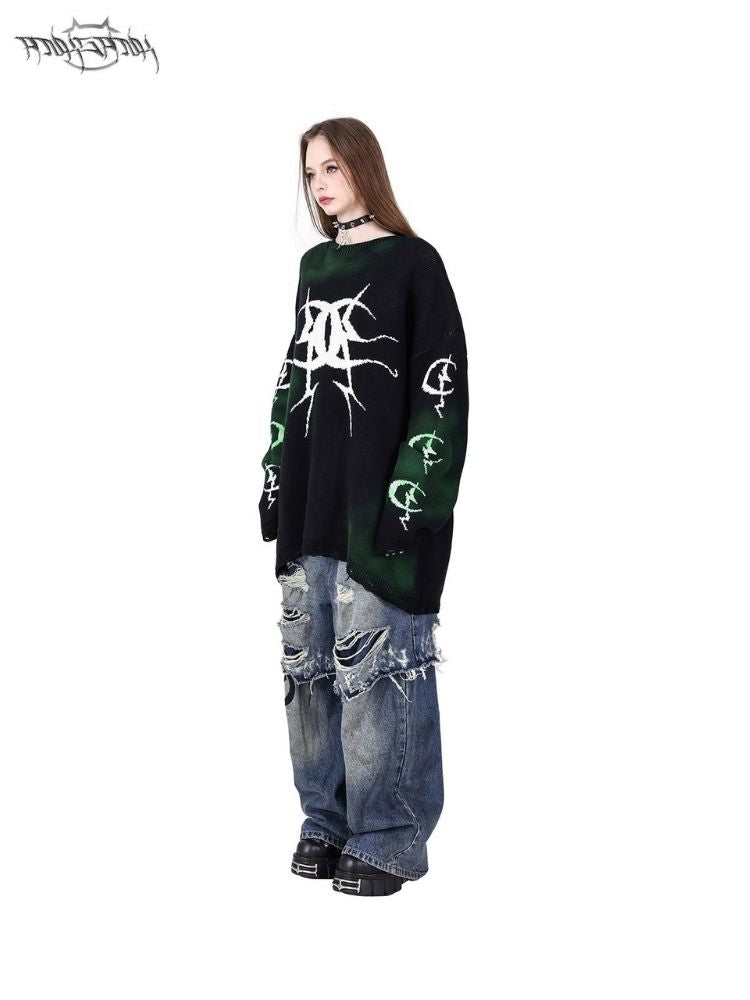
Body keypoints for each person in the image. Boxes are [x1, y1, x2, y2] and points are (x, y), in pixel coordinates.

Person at [259, 117, 470, 896]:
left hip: (382, 507)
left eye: (333, 168)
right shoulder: (315, 267)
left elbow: (442, 385)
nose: (320, 184)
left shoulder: (415, 263)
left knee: (379, 666)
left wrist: (415, 499)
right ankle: (327, 820)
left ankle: (389, 834)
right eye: (311, 171)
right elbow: (293, 377)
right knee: (310, 664)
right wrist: (274, 474)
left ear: (363, 169)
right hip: (312, 499)